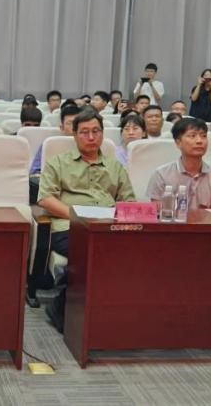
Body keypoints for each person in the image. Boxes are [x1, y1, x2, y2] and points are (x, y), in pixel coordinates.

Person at [38, 109, 135, 332]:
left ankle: (71, 297)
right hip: (71, 227)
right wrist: (79, 218)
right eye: (84, 132)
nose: (91, 137)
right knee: (95, 253)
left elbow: (128, 201)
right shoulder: (58, 163)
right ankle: (66, 308)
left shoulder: (115, 167)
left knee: (126, 253)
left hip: (108, 228)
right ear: (74, 135)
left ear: (103, 134)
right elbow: (45, 199)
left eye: (96, 131)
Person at [146, 118, 211, 209]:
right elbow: (157, 212)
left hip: (207, 218)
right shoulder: (162, 174)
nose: (199, 141)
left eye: (203, 136)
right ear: (178, 142)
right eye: (192, 136)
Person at [30, 105, 82, 175]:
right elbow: (35, 172)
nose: (74, 127)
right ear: (62, 128)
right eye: (69, 123)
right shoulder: (48, 145)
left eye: (76, 123)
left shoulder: (90, 144)